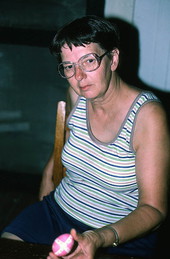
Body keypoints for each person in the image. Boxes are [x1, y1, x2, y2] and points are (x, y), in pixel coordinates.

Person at [1, 15, 170, 259]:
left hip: (119, 235)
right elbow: (63, 149)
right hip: (58, 212)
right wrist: (45, 197)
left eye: (88, 61)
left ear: (113, 58)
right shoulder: (77, 94)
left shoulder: (148, 116)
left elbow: (154, 209)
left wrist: (98, 237)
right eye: (69, 66)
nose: (78, 76)